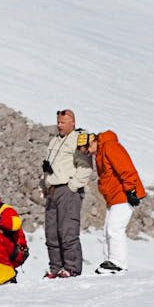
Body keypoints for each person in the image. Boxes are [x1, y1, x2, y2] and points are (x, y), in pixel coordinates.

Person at [42, 108, 92, 278]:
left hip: (67, 190)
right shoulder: (55, 141)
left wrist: (73, 186)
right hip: (52, 190)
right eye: (58, 122)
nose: (59, 125)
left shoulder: (78, 139)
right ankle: (56, 268)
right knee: (51, 232)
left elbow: (85, 166)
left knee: (67, 230)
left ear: (73, 123)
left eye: (63, 122)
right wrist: (45, 184)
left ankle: (71, 268)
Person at [86, 129, 145, 273]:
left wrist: (131, 190)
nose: (87, 152)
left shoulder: (110, 146)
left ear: (93, 141)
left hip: (123, 194)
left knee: (115, 228)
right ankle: (109, 261)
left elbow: (125, 167)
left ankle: (118, 263)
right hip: (114, 197)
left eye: (86, 148)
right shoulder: (100, 152)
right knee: (107, 229)